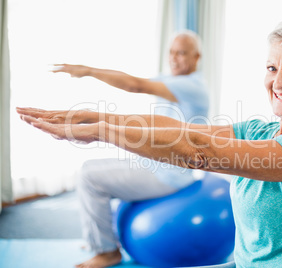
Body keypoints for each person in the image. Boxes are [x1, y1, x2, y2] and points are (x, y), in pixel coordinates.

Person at [18, 12, 282, 268]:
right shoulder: (260, 130)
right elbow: (185, 130)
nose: (278, 82)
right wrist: (93, 116)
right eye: (272, 68)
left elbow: (197, 150)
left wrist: (100, 132)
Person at [30, 30, 209, 268]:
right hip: (154, 163)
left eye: (183, 53)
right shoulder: (170, 81)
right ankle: (102, 236)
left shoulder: (192, 86)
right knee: (88, 166)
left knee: (89, 177)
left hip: (171, 174)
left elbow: (134, 85)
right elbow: (134, 81)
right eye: (172, 52)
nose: (175, 58)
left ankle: (106, 251)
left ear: (197, 57)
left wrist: (88, 71)